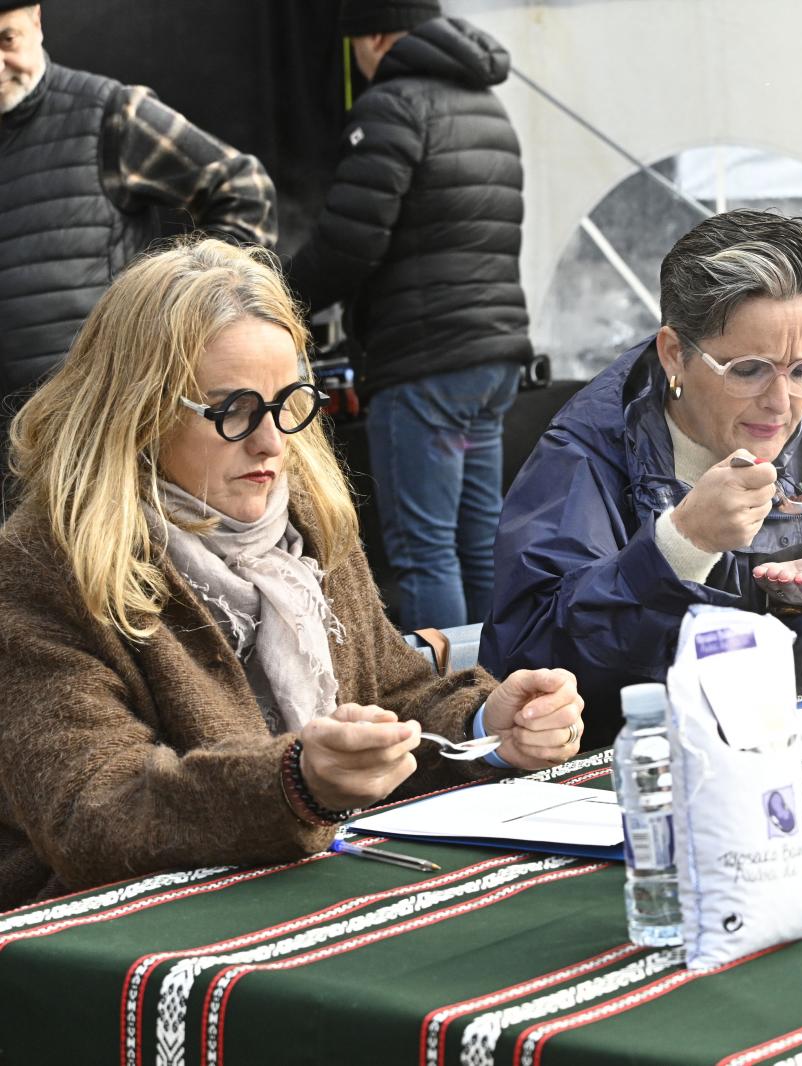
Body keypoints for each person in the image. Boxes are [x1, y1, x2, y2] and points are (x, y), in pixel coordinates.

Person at [0, 240, 584, 910]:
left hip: (310, 894)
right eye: (234, 410)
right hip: (103, 949)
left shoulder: (305, 522)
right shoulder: (41, 570)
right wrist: (298, 784)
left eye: (288, 404)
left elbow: (394, 697)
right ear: (137, 413)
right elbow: (93, 811)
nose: (273, 443)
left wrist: (486, 725)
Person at [482, 210, 802, 743]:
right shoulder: (581, 457)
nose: (781, 403)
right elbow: (528, 666)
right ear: (674, 354)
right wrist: (678, 547)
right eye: (748, 369)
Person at [287, 0, 531, 632]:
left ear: (372, 37)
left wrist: (276, 295)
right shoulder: (486, 103)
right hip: (492, 358)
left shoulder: (392, 104)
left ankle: (448, 704)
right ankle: (492, 696)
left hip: (425, 363)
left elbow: (350, 241)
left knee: (424, 553)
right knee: (477, 543)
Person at [0, 1, 275, 434]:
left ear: (36, 21)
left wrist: (191, 314)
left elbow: (242, 188)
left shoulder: (108, 115)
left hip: (92, 433)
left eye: (6, 39)